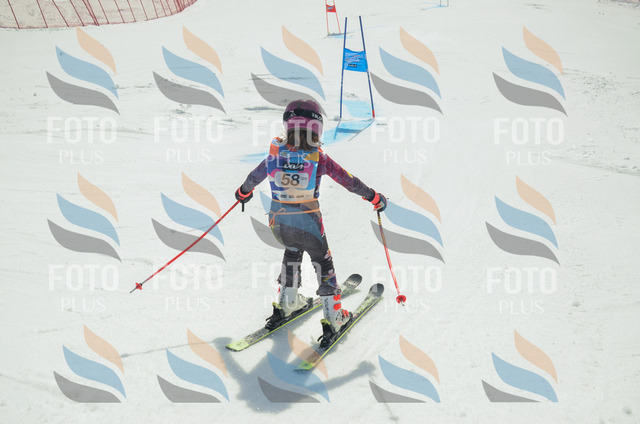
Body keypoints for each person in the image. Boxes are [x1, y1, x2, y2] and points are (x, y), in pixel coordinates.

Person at [235, 99, 387, 346]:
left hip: (279, 224)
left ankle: (286, 302)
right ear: (317, 128)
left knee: (292, 251)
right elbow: (349, 181)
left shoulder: (275, 154)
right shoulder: (319, 158)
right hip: (309, 225)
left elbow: (253, 178)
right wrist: (373, 197)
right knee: (322, 262)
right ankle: (333, 318)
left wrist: (243, 192)